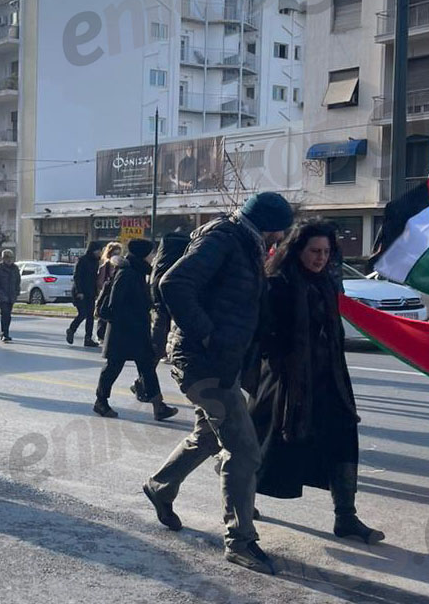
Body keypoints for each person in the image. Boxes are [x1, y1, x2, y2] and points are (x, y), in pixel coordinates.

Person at [142, 192, 293, 575]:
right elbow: (174, 283)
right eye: (279, 232)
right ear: (268, 226)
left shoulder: (246, 244)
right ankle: (240, 541)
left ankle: (161, 487)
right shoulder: (223, 238)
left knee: (209, 437)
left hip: (219, 362)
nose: (279, 240)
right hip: (201, 361)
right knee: (243, 450)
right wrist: (208, 336)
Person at [248, 220, 383, 544]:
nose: (321, 257)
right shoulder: (277, 283)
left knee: (343, 440)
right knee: (267, 446)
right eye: (314, 251)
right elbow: (262, 332)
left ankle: (346, 517)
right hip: (285, 382)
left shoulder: (326, 281)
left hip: (329, 378)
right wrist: (284, 364)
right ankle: (241, 503)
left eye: (326, 251)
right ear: (298, 250)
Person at [94, 239, 179, 421]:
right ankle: (101, 402)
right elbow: (114, 304)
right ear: (143, 255)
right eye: (150, 254)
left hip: (136, 330)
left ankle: (159, 406)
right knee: (112, 368)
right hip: (123, 331)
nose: (153, 257)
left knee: (147, 368)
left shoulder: (137, 271)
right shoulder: (127, 273)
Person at [148, 230, 191, 362]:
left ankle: (155, 357)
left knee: (160, 327)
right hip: (176, 298)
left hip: (158, 298)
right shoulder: (180, 262)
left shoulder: (161, 261)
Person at [66, 241, 104, 347]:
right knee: (83, 313)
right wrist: (79, 291)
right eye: (98, 250)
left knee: (90, 316)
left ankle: (88, 338)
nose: (99, 253)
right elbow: (77, 276)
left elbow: (94, 278)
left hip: (90, 292)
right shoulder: (82, 260)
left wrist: (96, 292)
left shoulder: (96, 262)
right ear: (93, 250)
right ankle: (71, 329)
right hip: (80, 291)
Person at [95, 242, 124, 342]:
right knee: (103, 315)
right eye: (115, 253)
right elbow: (100, 282)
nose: (117, 256)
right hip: (106, 293)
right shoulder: (105, 266)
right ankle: (101, 335)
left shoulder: (121, 266)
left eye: (118, 253)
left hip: (116, 292)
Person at [0, 249, 20, 342]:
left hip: (11, 296)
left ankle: (6, 332)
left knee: (8, 315)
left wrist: (16, 292)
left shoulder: (15, 268)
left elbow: (18, 281)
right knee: (5, 314)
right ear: (3, 258)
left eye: (10, 258)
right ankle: (4, 333)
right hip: (2, 296)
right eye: (7, 258)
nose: (9, 260)